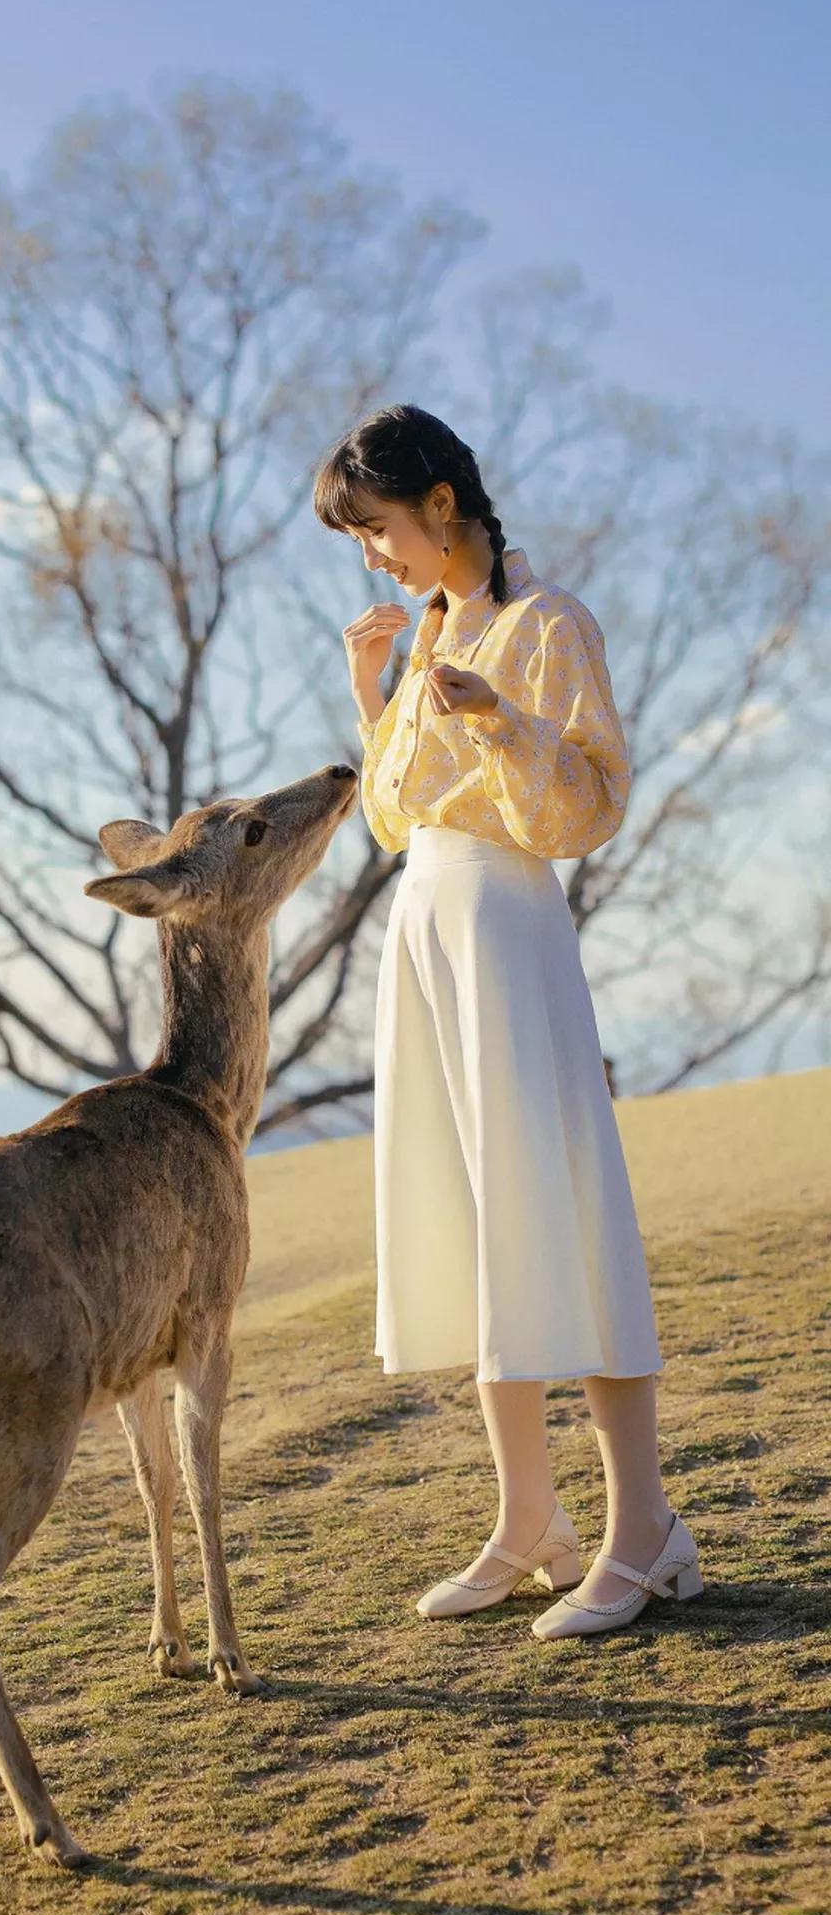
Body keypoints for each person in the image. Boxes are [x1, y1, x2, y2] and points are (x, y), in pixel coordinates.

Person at [313, 402, 703, 1639]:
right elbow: (390, 817)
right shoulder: (430, 632)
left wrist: (499, 720)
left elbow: (588, 805)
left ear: (440, 503)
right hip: (425, 931)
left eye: (374, 527)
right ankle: (529, 1517)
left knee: (564, 1204)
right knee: (485, 1223)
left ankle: (644, 1527)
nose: (374, 555)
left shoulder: (548, 626)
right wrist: (373, 694)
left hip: (510, 928)